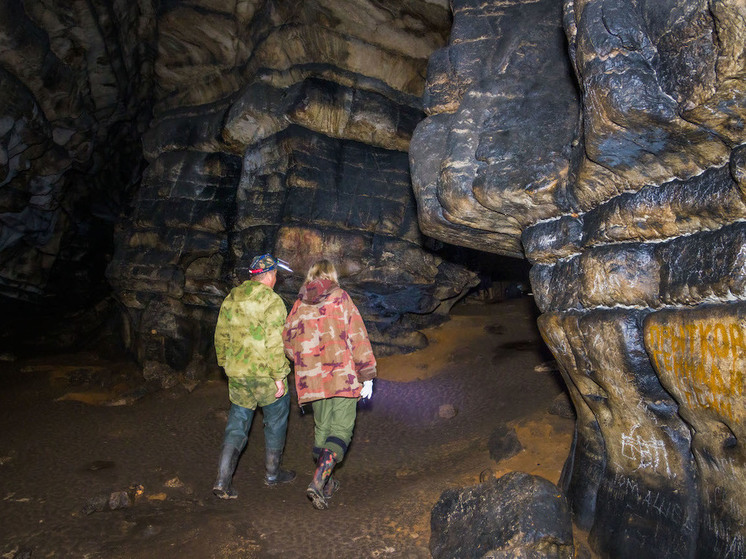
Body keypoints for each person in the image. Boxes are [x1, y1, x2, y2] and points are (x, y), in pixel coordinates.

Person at [282, 259, 376, 510]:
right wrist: (367, 374)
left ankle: (327, 482)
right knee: (341, 430)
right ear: (332, 275)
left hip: (313, 381)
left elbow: (288, 343)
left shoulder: (299, 305)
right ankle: (316, 482)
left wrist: (307, 360)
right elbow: (357, 336)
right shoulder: (340, 298)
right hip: (342, 376)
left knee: (322, 430)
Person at [212, 253, 296, 499]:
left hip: (238, 373)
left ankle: (222, 481)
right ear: (269, 275)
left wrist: (225, 364)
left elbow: (221, 335)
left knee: (237, 423)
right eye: (275, 275)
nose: (275, 278)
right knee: (276, 421)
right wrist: (279, 376)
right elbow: (274, 342)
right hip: (265, 376)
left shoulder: (232, 297)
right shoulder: (272, 301)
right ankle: (272, 474)